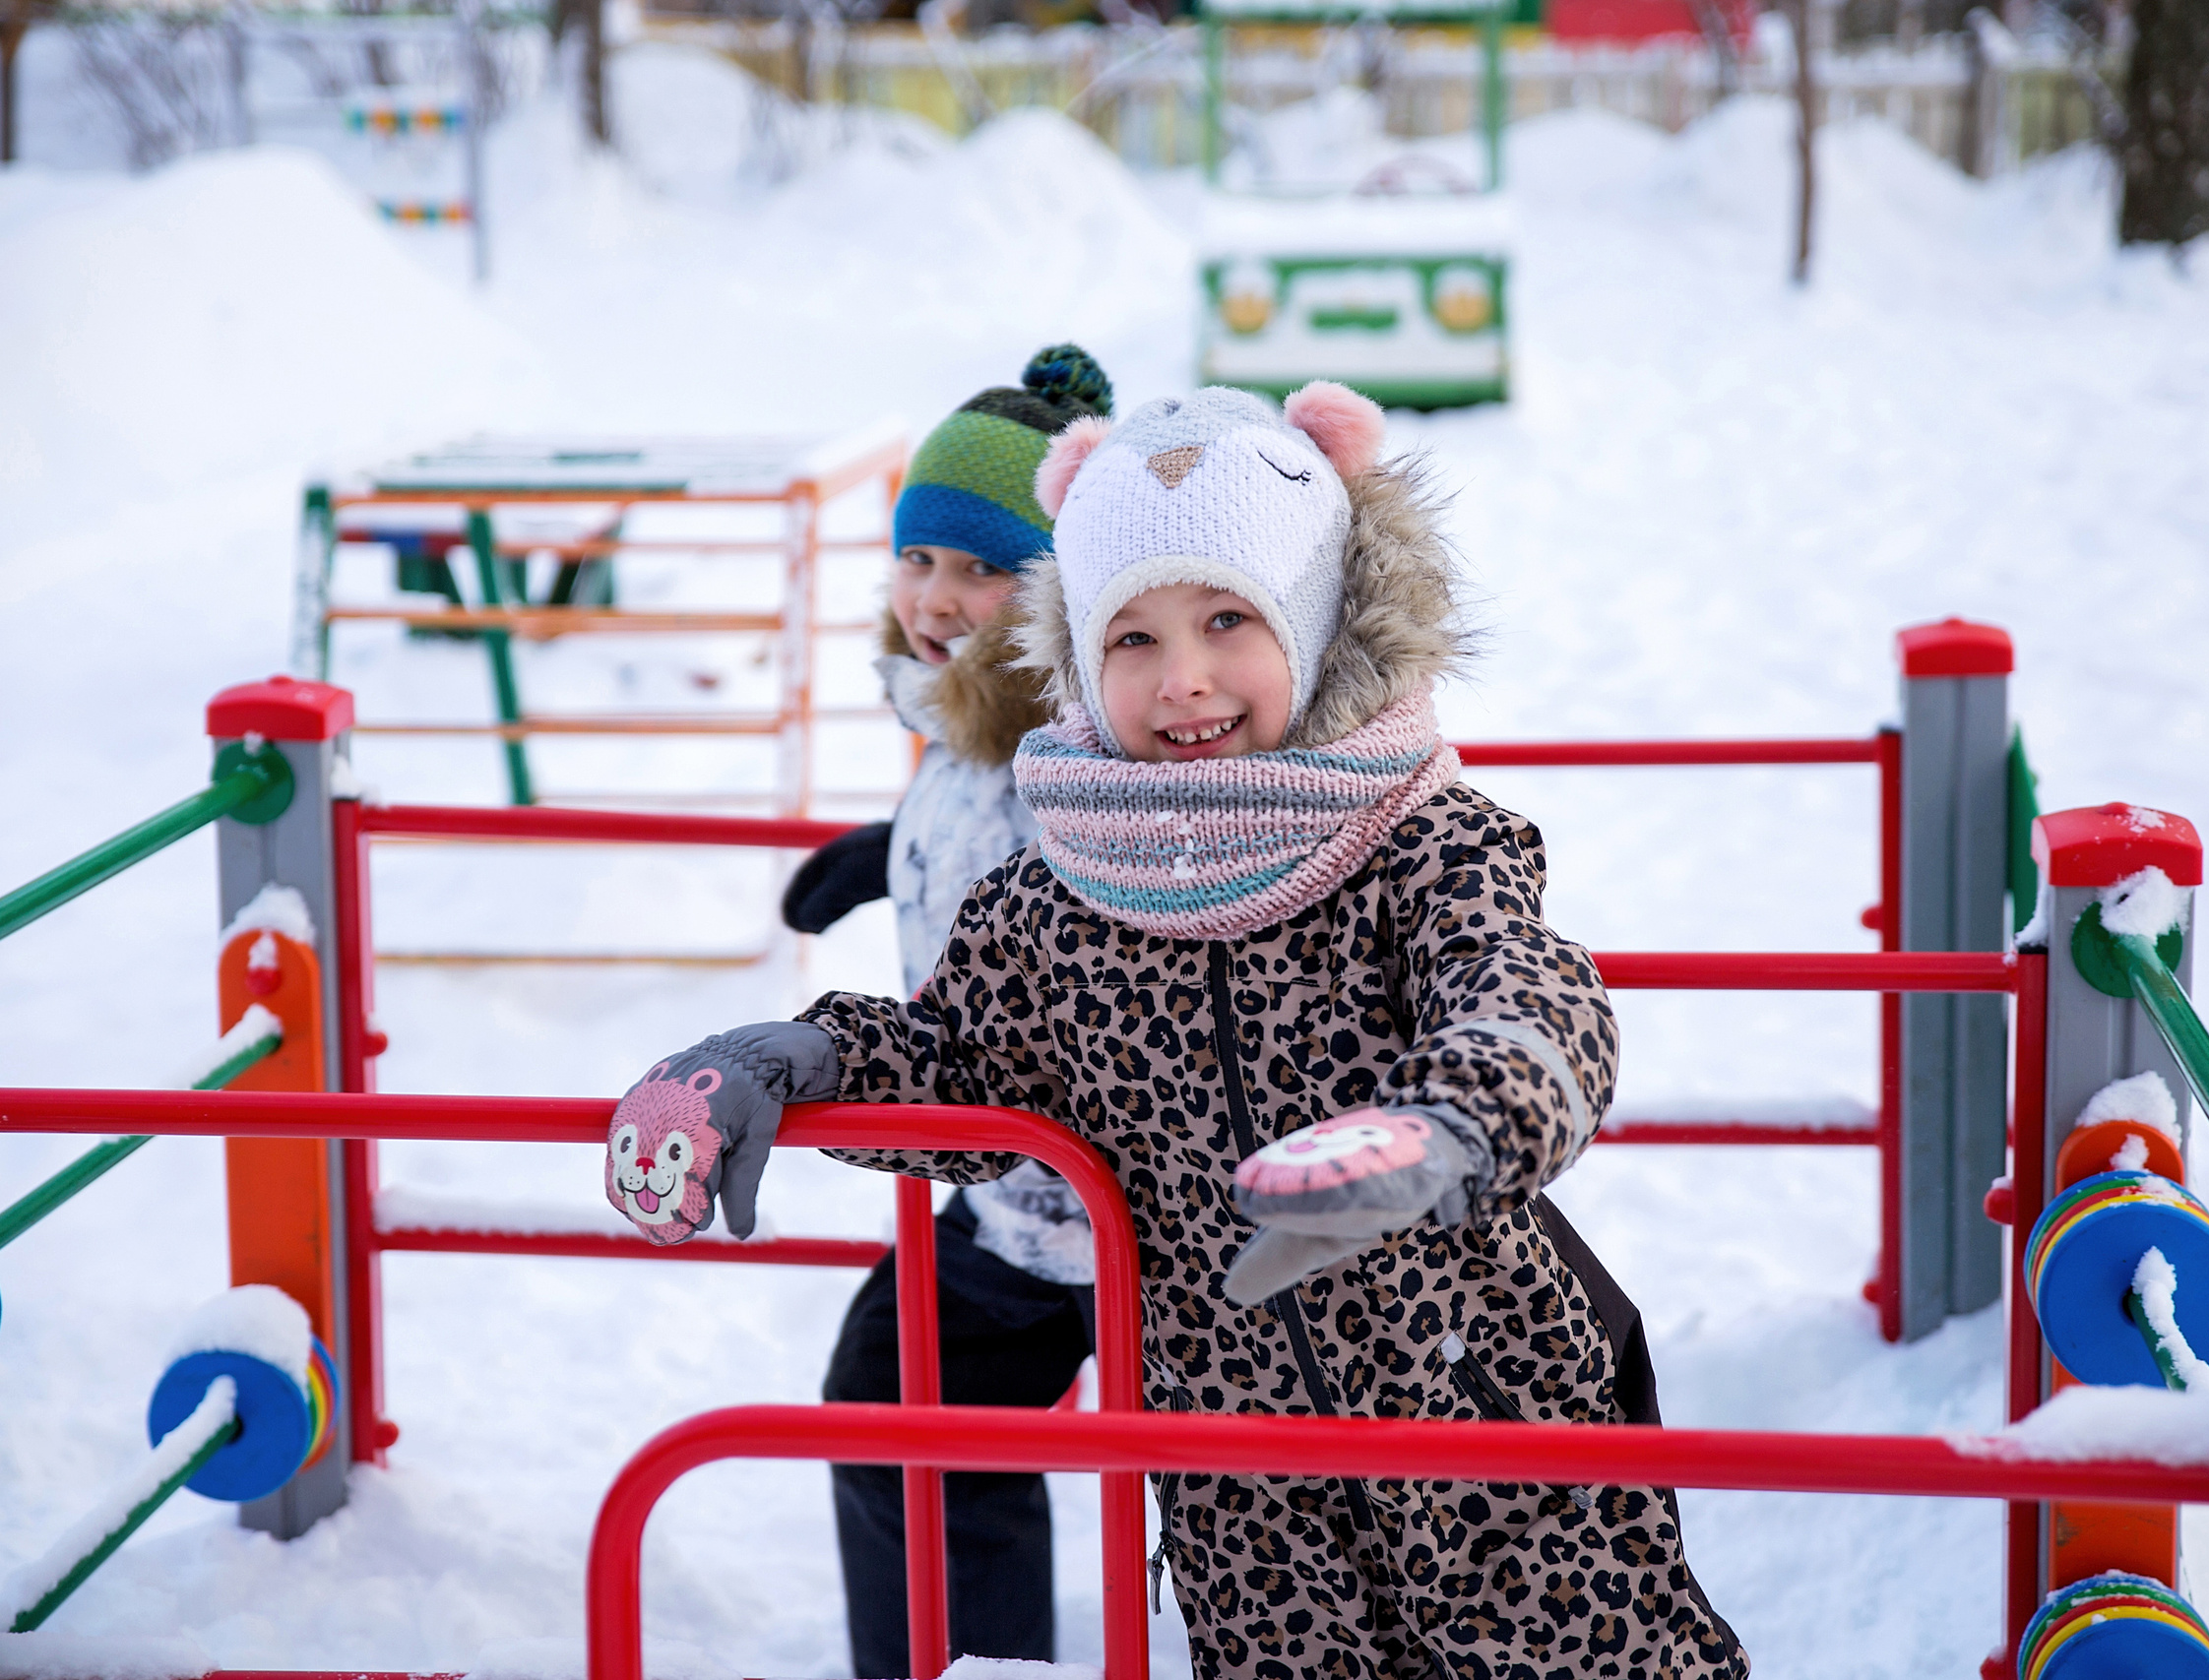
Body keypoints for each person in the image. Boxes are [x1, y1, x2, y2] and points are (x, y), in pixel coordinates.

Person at [604, 381, 1747, 1680]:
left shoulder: (1419, 840)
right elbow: (973, 1064)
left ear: (1317, 625)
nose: (1183, 678)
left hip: (1479, 1389)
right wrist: (793, 1062)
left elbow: (1528, 990)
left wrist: (1446, 1128)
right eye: (1131, 638)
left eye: (1227, 618)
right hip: (1239, 1483)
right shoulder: (1058, 895)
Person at [775, 344, 1112, 1678]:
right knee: (906, 1424)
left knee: (895, 1419)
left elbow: (1053, 925)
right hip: (1018, 1191)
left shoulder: (1069, 751)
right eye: (920, 559)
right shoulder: (976, 726)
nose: (937, 597)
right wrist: (888, 850)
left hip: (1081, 1205)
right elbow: (977, 848)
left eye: (983, 569)